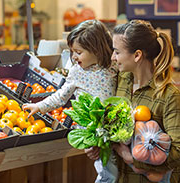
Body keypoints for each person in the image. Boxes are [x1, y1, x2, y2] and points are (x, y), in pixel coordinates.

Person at [85, 19, 180, 183]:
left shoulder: (168, 95)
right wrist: (100, 145)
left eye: (117, 52)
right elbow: (115, 128)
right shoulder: (121, 80)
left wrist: (133, 158)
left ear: (137, 55)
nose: (113, 57)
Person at [22, 19, 118, 182]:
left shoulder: (112, 67)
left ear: (96, 49)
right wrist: (39, 106)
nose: (73, 57)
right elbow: (61, 96)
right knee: (107, 172)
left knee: (115, 168)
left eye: (78, 52)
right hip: (91, 128)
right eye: (72, 51)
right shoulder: (76, 72)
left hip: (113, 127)